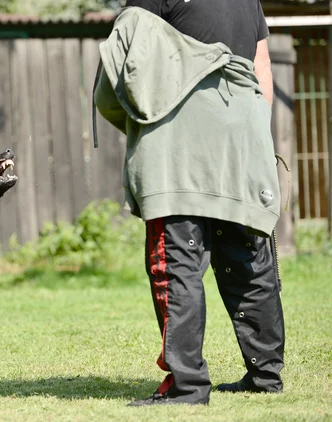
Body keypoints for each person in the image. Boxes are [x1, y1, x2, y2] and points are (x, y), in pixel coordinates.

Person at [93, 0, 285, 406]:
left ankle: (187, 385)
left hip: (179, 140)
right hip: (244, 127)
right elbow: (261, 63)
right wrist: (253, 133)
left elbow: (121, 62)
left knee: (176, 258)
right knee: (247, 254)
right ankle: (265, 374)